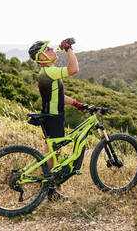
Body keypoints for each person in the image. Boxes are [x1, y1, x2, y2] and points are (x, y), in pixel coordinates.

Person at [28, 38, 87, 201]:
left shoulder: (48, 72)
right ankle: (50, 189)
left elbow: (59, 95)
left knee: (53, 153)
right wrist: (68, 49)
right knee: (53, 155)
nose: (52, 49)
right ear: (41, 58)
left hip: (52, 116)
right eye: (47, 49)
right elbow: (74, 69)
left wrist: (76, 103)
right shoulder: (48, 71)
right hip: (53, 118)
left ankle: (50, 187)